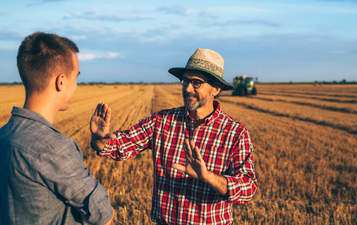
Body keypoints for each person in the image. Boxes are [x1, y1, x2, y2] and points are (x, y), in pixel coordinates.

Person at [90, 48, 258, 225]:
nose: (187, 88)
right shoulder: (162, 121)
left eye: (196, 83)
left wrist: (208, 177)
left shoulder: (235, 133)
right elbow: (120, 147)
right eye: (185, 81)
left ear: (216, 88)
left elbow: (248, 188)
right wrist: (101, 140)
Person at [0, 32, 113, 225]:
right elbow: (104, 216)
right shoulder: (54, 149)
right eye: (75, 77)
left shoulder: (5, 135)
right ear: (61, 82)